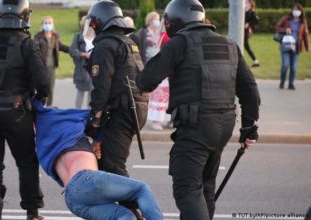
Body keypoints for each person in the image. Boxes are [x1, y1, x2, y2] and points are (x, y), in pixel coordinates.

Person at [136, 0, 260, 219]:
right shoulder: (228, 44)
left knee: (188, 188)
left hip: (195, 126)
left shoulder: (180, 42)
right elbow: (249, 88)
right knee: (206, 187)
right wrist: (249, 128)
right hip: (223, 125)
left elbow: (146, 81)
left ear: (175, 20)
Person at [0, 0, 49, 219]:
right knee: (26, 162)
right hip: (16, 113)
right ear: (25, 16)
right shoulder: (26, 43)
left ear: (0, 14)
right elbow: (43, 82)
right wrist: (39, 99)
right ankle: (32, 212)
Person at [31, 98, 163, 220]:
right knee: (141, 190)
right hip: (86, 179)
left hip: (73, 199)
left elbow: (35, 105)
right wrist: (97, 141)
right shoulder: (66, 117)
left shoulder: (42, 144)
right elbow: (97, 116)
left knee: (123, 215)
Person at [84, 0, 149, 218]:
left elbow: (101, 90)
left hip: (121, 110)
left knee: (113, 164)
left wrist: (94, 121)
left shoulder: (105, 46)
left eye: (93, 24)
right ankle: (113, 212)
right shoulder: (129, 43)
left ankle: (134, 212)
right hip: (135, 109)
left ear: (100, 22)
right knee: (106, 162)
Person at [34, 16, 69, 106]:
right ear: (42, 24)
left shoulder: (55, 37)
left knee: (50, 89)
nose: (48, 25)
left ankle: (49, 108)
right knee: (42, 88)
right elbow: (34, 48)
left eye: (50, 23)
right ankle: (41, 107)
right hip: (41, 67)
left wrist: (72, 50)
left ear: (53, 25)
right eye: (46, 23)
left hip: (51, 67)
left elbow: (61, 47)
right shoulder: (38, 37)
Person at [275, 3, 309, 90]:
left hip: (296, 47)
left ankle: (291, 84)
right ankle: (282, 81)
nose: (296, 11)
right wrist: (285, 29)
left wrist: (307, 47)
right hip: (285, 45)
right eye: (294, 9)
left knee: (293, 67)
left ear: (301, 12)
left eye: (298, 10)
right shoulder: (286, 19)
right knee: (285, 65)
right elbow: (277, 27)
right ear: (292, 10)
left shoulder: (302, 22)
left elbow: (305, 35)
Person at [69, 16, 94, 109]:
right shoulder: (78, 37)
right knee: (81, 92)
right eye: (87, 24)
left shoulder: (98, 37)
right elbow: (72, 51)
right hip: (82, 69)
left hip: (94, 69)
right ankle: (77, 113)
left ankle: (89, 114)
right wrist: (83, 54)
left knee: (92, 93)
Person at [244, 0, 260, 67]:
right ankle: (255, 61)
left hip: (245, 32)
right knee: (246, 47)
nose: (245, 4)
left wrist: (248, 24)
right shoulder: (243, 11)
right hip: (241, 31)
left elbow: (256, 21)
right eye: (244, 2)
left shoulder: (251, 12)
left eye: (246, 3)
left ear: (250, 4)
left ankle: (255, 61)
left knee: (243, 45)